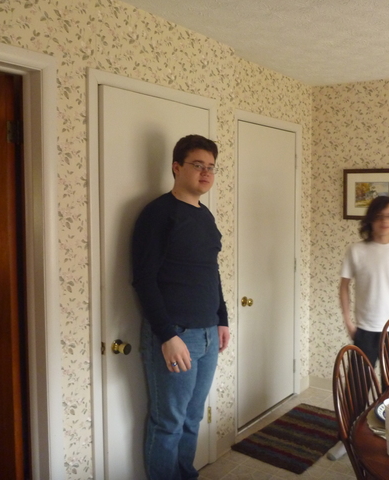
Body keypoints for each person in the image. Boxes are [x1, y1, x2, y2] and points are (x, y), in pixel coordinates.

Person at [131, 134, 230, 480]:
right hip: (176, 334)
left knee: (192, 418)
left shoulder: (205, 216)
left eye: (211, 167)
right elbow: (144, 279)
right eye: (198, 165)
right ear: (176, 167)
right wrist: (167, 335)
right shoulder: (158, 214)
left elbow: (211, 272)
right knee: (168, 422)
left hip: (207, 334)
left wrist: (222, 319)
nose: (206, 173)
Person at [328, 195, 389, 461]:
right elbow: (344, 286)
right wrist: (348, 321)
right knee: (356, 387)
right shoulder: (356, 250)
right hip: (365, 330)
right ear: (371, 220)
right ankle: (347, 438)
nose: (385, 221)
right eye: (380, 216)